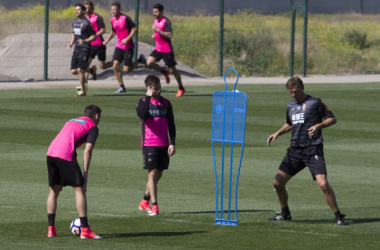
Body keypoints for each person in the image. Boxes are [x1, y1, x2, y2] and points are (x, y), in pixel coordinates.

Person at [266, 76, 348, 226]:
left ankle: (338, 215)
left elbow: (332, 119)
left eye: (295, 91)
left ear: (302, 88)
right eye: (290, 92)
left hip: (313, 149)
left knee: (323, 185)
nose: (293, 95)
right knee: (277, 183)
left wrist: (318, 126)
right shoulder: (290, 106)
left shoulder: (315, 102)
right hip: (295, 151)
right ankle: (285, 214)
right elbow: (290, 124)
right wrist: (277, 133)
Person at [46, 105, 102, 239]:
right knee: (79, 190)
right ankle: (85, 230)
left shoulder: (72, 120)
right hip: (65, 155)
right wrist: (86, 175)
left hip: (51, 153)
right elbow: (88, 150)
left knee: (54, 191)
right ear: (96, 116)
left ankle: (51, 230)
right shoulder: (93, 126)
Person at [136, 75, 176, 216]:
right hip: (149, 143)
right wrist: (148, 97)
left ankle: (144, 201)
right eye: (155, 89)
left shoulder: (166, 103)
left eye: (159, 88)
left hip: (164, 144)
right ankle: (155, 205)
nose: (158, 91)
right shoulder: (142, 102)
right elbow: (141, 113)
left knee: (159, 173)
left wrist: (172, 143)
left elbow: (171, 124)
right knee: (152, 173)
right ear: (148, 88)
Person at [103, 2, 146, 93]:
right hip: (119, 46)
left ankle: (140, 60)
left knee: (126, 70)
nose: (113, 11)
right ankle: (122, 87)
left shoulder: (125, 18)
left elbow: (134, 29)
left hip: (128, 46)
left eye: (115, 9)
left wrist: (127, 38)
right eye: (111, 9)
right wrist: (107, 40)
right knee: (115, 66)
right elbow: (113, 31)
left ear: (119, 9)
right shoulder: (112, 20)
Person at [146, 3, 185, 97]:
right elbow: (158, 33)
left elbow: (169, 35)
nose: (154, 13)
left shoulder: (166, 21)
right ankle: (164, 72)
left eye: (156, 12)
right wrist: (155, 35)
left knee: (173, 70)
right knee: (149, 62)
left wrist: (157, 30)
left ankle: (181, 88)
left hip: (167, 50)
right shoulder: (155, 20)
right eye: (153, 11)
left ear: (161, 12)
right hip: (158, 48)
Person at [78, 1, 112, 91]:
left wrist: (94, 36)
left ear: (92, 8)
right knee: (85, 66)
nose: (86, 9)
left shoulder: (97, 17)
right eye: (84, 8)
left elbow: (103, 30)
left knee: (102, 66)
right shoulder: (84, 19)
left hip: (99, 44)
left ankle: (116, 64)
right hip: (89, 46)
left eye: (88, 7)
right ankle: (83, 88)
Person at [68, 3, 97, 97]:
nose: (76, 11)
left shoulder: (87, 23)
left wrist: (84, 41)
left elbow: (94, 36)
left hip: (85, 49)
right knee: (73, 71)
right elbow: (74, 33)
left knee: (80, 70)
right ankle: (89, 70)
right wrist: (71, 43)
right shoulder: (74, 22)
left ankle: (83, 91)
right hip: (77, 49)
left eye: (79, 9)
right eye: (76, 9)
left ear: (84, 11)